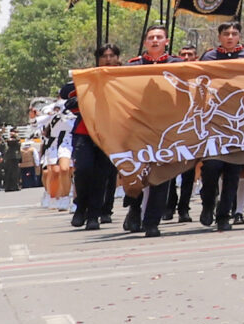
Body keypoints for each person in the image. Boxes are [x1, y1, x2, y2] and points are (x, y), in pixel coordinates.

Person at [197, 22, 244, 231]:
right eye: (226, 34)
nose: (230, 37)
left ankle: (224, 216)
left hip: (239, 124)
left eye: (234, 33)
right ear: (219, 36)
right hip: (212, 121)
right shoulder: (209, 58)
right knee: (211, 168)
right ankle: (208, 204)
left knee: (233, 172)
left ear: (239, 36)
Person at [125, 26, 178, 235]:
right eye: (151, 38)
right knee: (138, 172)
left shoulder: (179, 65)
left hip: (167, 127)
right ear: (145, 42)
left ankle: (152, 222)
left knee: (161, 173)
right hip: (139, 126)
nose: (155, 40)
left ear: (167, 40)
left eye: (159, 37)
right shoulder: (133, 66)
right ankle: (134, 209)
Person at [65, 46, 122, 229]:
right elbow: (69, 97)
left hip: (110, 132)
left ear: (117, 58)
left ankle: (94, 215)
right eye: (103, 56)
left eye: (111, 56)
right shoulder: (87, 77)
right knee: (83, 169)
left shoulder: (123, 78)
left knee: (101, 175)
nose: (107, 59)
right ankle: (81, 206)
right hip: (85, 131)